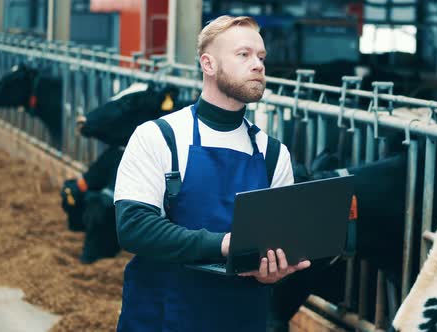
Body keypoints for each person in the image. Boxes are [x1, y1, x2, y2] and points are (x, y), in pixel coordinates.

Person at [113, 15, 311, 331]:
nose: (258, 65)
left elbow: (275, 245)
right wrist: (225, 244)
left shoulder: (273, 153)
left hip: (241, 320)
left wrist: (272, 271)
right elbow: (134, 227)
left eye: (261, 57)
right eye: (243, 55)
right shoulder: (159, 136)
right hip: (161, 317)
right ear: (208, 64)